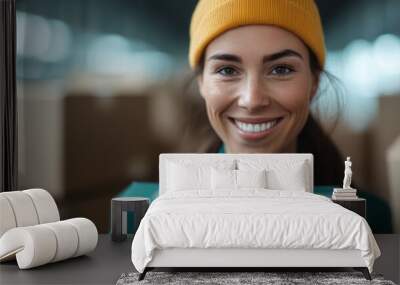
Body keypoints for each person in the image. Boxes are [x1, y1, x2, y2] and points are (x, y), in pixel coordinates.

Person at [182, 0, 344, 186]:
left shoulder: (369, 214)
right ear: (201, 83)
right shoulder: (160, 212)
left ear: (314, 82)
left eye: (281, 69)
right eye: (227, 70)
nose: (252, 100)